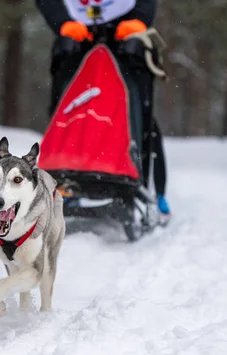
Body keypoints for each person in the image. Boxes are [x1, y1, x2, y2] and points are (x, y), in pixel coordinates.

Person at [35, 0, 170, 216]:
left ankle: (148, 187)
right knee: (69, 107)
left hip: (126, 33)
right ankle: (65, 179)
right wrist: (62, 22)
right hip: (76, 33)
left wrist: (138, 19)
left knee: (135, 110)